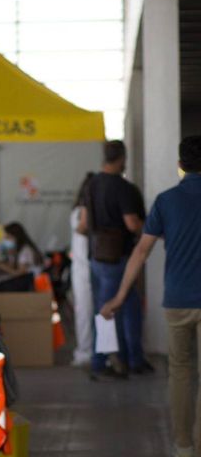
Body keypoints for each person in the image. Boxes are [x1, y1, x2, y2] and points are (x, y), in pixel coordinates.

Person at [102, 136, 201, 457]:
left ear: (181, 164)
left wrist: (118, 296)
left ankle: (184, 446)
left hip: (177, 300)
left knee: (181, 373)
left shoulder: (166, 201)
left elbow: (141, 252)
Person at [78, 140, 152, 378]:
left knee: (125, 307)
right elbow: (132, 223)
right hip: (118, 258)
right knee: (112, 310)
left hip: (96, 256)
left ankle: (134, 359)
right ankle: (103, 363)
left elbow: (82, 225)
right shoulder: (123, 188)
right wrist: (150, 228)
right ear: (122, 158)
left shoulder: (90, 185)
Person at [70, 176, 95, 367]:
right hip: (84, 269)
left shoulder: (80, 211)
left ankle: (93, 351)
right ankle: (86, 351)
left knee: (91, 312)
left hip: (88, 268)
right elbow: (81, 229)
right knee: (85, 312)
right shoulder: (80, 212)